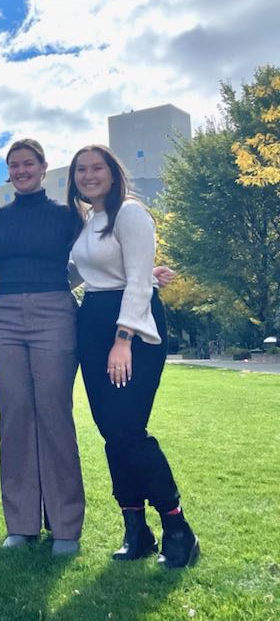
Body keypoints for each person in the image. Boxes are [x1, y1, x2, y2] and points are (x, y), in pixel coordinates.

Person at [67, 144, 199, 568]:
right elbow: (75, 274)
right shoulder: (88, 222)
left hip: (131, 325)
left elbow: (139, 280)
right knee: (112, 433)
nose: (89, 175)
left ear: (113, 171)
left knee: (128, 429)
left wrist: (123, 338)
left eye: (96, 168)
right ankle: (136, 530)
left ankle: (177, 526)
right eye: (81, 170)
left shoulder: (130, 213)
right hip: (93, 320)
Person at [0, 139, 85, 556]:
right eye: (14, 165)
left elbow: (91, 260)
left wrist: (139, 271)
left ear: (43, 168)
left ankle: (65, 527)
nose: (21, 170)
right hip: (4, 313)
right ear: (9, 173)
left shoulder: (66, 216)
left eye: (28, 163)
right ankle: (20, 523)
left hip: (55, 311)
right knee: (15, 415)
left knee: (54, 412)